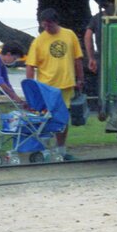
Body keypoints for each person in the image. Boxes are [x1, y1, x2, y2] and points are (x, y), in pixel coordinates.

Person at [25, 8, 84, 160]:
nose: (46, 28)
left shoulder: (69, 35)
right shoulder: (38, 41)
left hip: (66, 85)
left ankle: (61, 150)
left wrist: (80, 79)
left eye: (49, 25)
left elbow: (78, 58)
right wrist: (31, 88)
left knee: (63, 119)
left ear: (56, 22)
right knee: (45, 119)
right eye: (44, 26)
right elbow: (30, 65)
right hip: (46, 87)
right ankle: (43, 149)